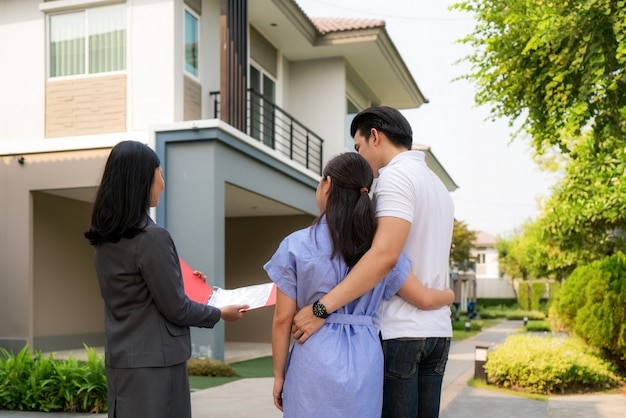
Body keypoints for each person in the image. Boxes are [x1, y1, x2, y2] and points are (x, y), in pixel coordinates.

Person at [292, 106, 455, 418]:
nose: (359, 156)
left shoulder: (395, 177)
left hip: (401, 333)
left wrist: (320, 309)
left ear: (375, 137)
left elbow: (384, 255)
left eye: (359, 146)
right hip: (437, 332)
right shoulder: (437, 186)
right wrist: (442, 297)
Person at [84, 140, 248, 418]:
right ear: (142, 180)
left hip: (122, 361)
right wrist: (220, 313)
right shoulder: (152, 237)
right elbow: (176, 308)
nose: (163, 181)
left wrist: (186, 282)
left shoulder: (104, 240)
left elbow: (139, 294)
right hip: (156, 366)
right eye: (159, 173)